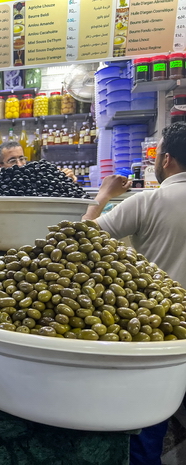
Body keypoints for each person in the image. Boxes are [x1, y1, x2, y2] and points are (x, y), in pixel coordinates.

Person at [83, 121, 186, 465]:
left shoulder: (148, 201)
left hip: (159, 332)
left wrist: (102, 196)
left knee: (147, 428)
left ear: (166, 159)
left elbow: (81, 240)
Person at [0, 141, 77, 181]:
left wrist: (68, 178)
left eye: (22, 159)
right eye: (12, 161)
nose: (20, 164)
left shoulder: (35, 174)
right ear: (0, 166)